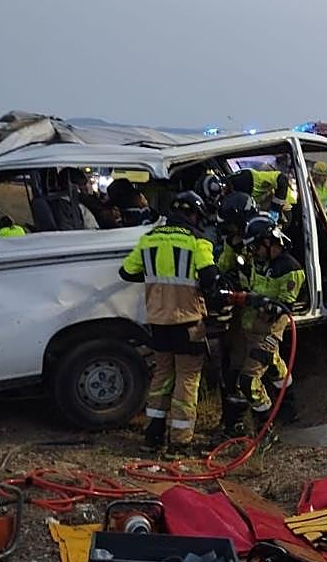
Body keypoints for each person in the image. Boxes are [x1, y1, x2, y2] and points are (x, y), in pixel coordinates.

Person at [118, 191, 219, 455]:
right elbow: (209, 278)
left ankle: (152, 437)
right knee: (187, 379)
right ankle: (180, 441)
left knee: (162, 377)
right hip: (188, 323)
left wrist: (154, 279)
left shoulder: (149, 239)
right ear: (194, 214)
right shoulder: (198, 241)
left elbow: (126, 271)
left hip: (158, 323)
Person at [221, 216, 305, 437]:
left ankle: (266, 429)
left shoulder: (290, 269)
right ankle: (288, 409)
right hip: (250, 328)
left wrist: (247, 299)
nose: (254, 252)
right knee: (276, 368)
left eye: (256, 247)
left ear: (268, 243)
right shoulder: (261, 263)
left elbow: (282, 307)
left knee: (248, 380)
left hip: (269, 331)